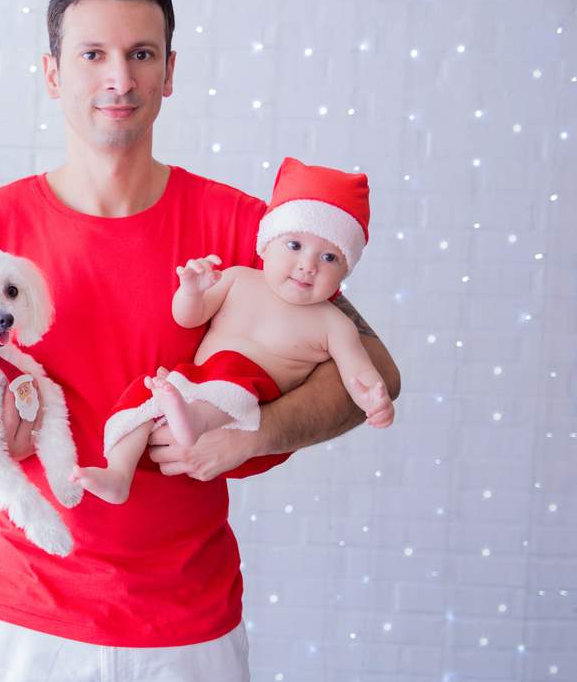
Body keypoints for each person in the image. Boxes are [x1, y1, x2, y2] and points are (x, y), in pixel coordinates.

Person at [0, 0, 401, 682]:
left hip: (185, 629)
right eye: (92, 54)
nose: (119, 79)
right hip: (18, 620)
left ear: (169, 72)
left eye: (142, 54)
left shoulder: (248, 229)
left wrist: (261, 432)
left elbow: (376, 369)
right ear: (53, 73)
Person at [77, 158, 396, 505]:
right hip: (193, 383)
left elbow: (360, 373)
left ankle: (194, 420)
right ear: (266, 244)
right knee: (144, 392)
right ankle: (119, 472)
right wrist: (191, 291)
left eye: (330, 258)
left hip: (246, 402)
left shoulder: (334, 324)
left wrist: (374, 401)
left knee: (230, 368)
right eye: (294, 246)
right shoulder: (238, 279)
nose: (308, 265)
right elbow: (189, 318)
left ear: (346, 270)